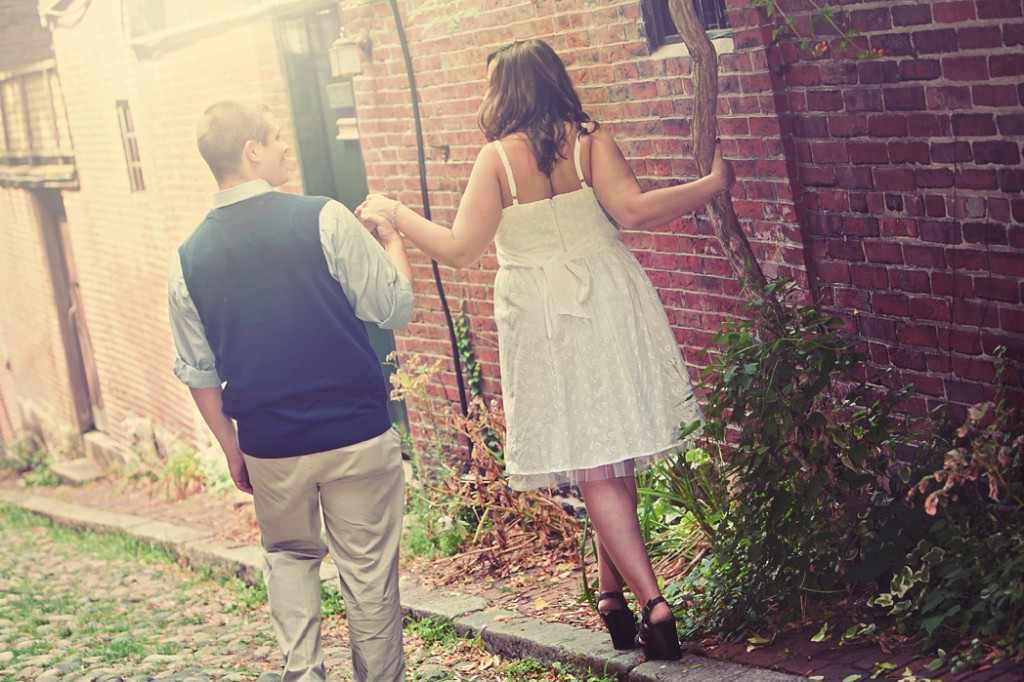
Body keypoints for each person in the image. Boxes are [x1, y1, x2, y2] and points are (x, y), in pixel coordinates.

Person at [357, 39, 735, 661]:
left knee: (593, 458)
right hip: (609, 297)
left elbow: (458, 250)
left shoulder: (497, 161)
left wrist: (396, 213)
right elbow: (635, 212)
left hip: (543, 317)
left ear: (503, 90)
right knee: (607, 452)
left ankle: (654, 604)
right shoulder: (591, 140)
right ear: (553, 80)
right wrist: (713, 183)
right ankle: (611, 594)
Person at [168, 100, 413, 682]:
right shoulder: (324, 217)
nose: (286, 147)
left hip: (271, 447)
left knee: (289, 561)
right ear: (250, 151)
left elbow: (199, 370)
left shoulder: (188, 259)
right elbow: (393, 306)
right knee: (369, 578)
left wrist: (233, 450)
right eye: (276, 138)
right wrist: (389, 237)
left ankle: (303, 675)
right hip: (355, 434)